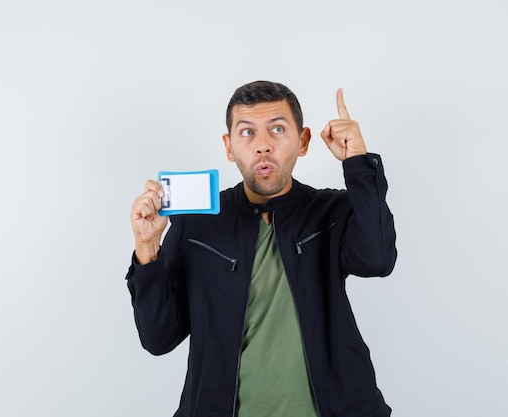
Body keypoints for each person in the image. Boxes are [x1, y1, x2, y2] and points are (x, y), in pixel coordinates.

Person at [126, 80, 397, 417]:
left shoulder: (332, 211)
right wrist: (147, 250)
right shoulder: (195, 224)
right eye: (247, 133)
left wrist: (357, 162)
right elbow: (158, 338)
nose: (263, 146)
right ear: (229, 147)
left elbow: (378, 260)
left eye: (278, 129)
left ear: (303, 141)